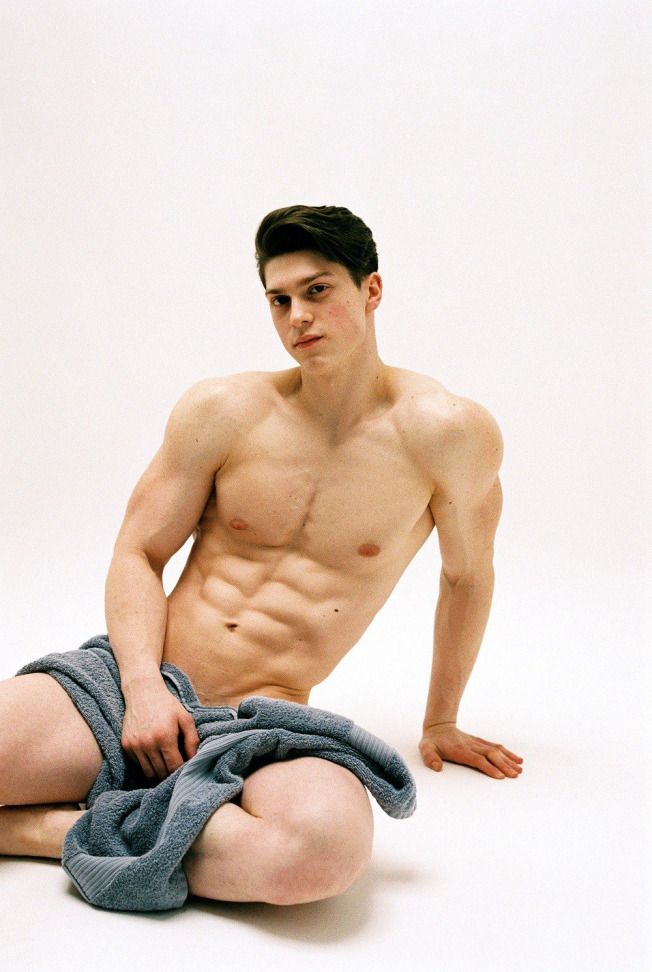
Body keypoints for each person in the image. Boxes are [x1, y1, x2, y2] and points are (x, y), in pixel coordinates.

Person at [0, 204, 523, 906]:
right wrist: (145, 689)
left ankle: (47, 829)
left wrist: (440, 722)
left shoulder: (449, 434)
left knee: (320, 856)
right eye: (279, 300)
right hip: (136, 683)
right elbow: (138, 551)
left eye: (318, 290)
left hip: (266, 718)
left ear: (371, 290)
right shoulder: (225, 409)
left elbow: (466, 577)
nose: (297, 316)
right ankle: (138, 822)